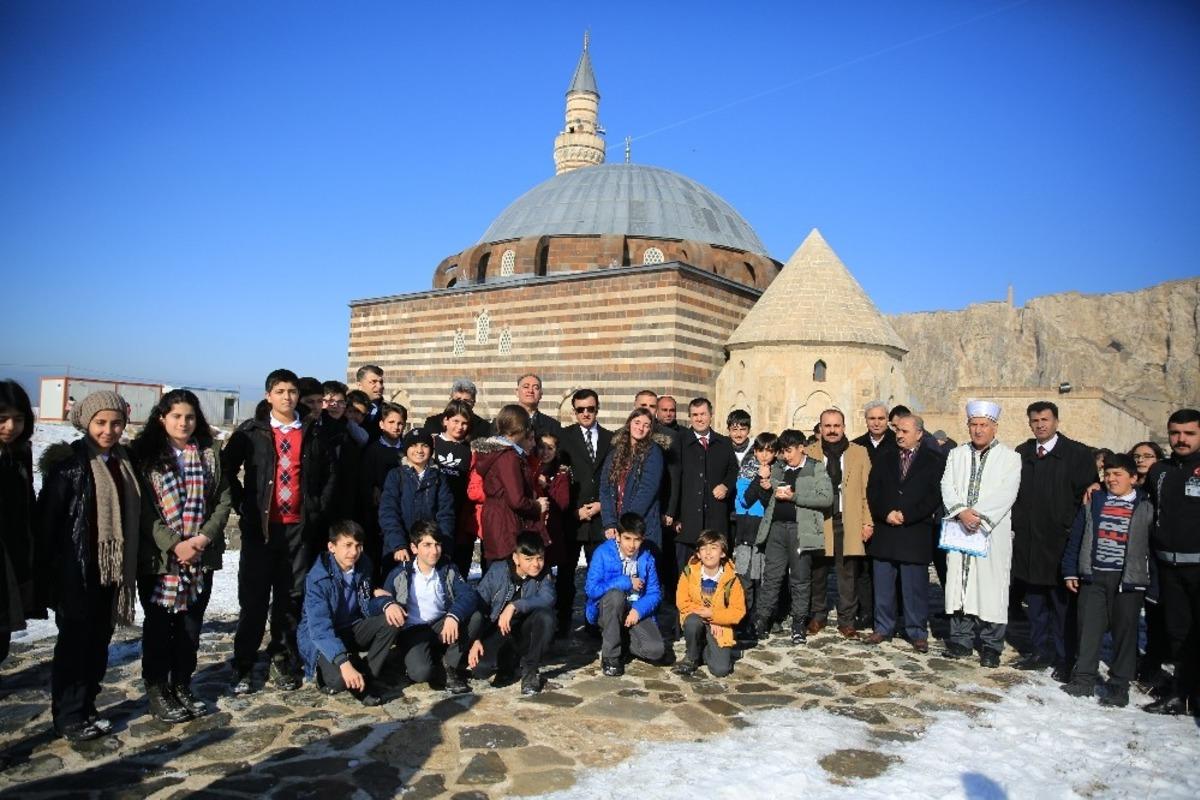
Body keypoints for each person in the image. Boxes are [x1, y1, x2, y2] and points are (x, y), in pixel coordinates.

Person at [223, 368, 336, 694]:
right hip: (261, 530)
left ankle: (282, 658)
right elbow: (226, 467)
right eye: (281, 391)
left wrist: (316, 508)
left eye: (292, 391)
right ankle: (243, 664)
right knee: (254, 600)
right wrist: (242, 503)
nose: (287, 397)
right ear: (268, 395)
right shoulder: (253, 431)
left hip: (298, 531)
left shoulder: (313, 430)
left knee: (290, 598)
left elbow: (329, 473)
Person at [36, 391, 141, 741]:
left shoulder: (124, 462)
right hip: (76, 571)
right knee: (73, 647)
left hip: (111, 573)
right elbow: (48, 525)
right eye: (101, 423)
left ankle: (88, 705)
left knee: (98, 643)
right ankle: (67, 715)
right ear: (86, 422)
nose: (108, 430)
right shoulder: (68, 465)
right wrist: (51, 577)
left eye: (115, 423)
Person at [132, 389, 233, 723]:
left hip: (200, 557)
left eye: (189, 416)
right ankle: (158, 688)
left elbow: (222, 499)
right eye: (176, 416)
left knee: (191, 626)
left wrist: (202, 538)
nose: (183, 422)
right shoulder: (145, 456)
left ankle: (183, 683)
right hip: (160, 560)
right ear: (162, 418)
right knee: (160, 626)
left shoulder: (209, 453)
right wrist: (175, 544)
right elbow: (145, 511)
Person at [1010, 401, 1097, 680]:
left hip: (1061, 543)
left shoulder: (1077, 454)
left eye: (1045, 420)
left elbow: (1087, 497)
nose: (1040, 425)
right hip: (1030, 543)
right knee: (1035, 604)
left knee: (1062, 607)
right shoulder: (1022, 453)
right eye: (1035, 421)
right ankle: (1039, 650)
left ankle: (1064, 656)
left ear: (1056, 421)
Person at [1060, 453, 1151, 707]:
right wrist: (1070, 570)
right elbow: (1077, 536)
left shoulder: (1144, 504)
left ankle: (1119, 685)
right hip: (1094, 575)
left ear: (1133, 478)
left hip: (1128, 580)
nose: (1111, 479)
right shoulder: (1095, 500)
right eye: (1107, 474)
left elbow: (1151, 546)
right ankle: (1083, 678)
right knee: (1088, 628)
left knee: (1125, 633)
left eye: (1117, 474)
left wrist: (1150, 580)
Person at [940, 400, 1022, 667]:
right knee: (959, 586)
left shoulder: (1010, 458)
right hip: (959, 529)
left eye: (983, 425)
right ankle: (960, 640)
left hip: (990, 532)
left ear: (994, 427)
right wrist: (961, 511)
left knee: (990, 587)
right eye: (974, 425)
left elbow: (1006, 493)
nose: (978, 430)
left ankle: (990, 645)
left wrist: (978, 517)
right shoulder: (956, 454)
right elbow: (947, 485)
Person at [864, 413, 944, 653]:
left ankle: (916, 631)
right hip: (886, 530)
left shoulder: (933, 460)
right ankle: (883, 627)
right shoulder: (884, 457)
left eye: (905, 431)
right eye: (897, 430)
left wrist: (908, 515)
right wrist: (885, 512)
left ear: (919, 434)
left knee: (914, 587)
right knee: (883, 584)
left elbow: (933, 495)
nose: (899, 435)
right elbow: (873, 490)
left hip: (914, 530)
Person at [744, 429, 833, 644]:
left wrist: (795, 496)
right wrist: (766, 488)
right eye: (783, 451)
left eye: (790, 450)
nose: (786, 455)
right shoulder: (778, 467)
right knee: (772, 577)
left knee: (800, 578)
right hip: (776, 528)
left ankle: (798, 623)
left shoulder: (815, 467)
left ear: (802, 447)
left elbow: (827, 498)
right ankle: (762, 620)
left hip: (801, 530)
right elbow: (768, 500)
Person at [373, 521, 479, 695]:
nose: (434, 551)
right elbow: (377, 603)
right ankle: (423, 660)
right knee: (421, 672)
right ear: (414, 548)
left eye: (437, 544)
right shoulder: (400, 573)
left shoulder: (448, 569)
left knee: (475, 617)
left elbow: (468, 595)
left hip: (441, 623)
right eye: (427, 545)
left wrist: (453, 616)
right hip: (414, 630)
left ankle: (449, 665)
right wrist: (387, 604)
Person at [297, 521, 396, 706]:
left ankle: (368, 674)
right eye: (347, 545)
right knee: (339, 681)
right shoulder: (318, 578)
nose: (354, 552)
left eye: (358, 546)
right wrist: (344, 662)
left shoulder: (363, 564)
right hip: (322, 637)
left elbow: (366, 603)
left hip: (352, 626)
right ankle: (328, 672)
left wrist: (386, 603)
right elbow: (319, 628)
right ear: (331, 547)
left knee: (392, 620)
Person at [1143, 408, 1200, 716]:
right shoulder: (1160, 471)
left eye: (1189, 433)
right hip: (1169, 568)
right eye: (1175, 433)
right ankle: (1182, 694)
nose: (1181, 439)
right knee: (1178, 634)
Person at [806, 409, 873, 638]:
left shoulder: (859, 453)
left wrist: (868, 522)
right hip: (819, 521)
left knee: (847, 574)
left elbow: (867, 490)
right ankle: (818, 615)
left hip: (848, 519)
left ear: (843, 427)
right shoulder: (809, 453)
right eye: (827, 426)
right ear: (821, 428)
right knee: (818, 572)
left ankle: (847, 620)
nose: (832, 430)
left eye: (836, 426)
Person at [469, 531, 557, 695]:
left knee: (546, 617)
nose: (536, 564)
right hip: (497, 631)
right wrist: (476, 638)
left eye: (540, 558)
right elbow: (478, 604)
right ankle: (508, 660)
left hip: (524, 632)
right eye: (529, 559)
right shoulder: (498, 571)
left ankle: (530, 672)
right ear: (516, 558)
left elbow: (548, 598)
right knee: (481, 670)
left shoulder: (544, 574)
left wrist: (515, 606)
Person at [556, 389, 613, 635]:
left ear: (597, 408)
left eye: (590, 408)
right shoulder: (564, 437)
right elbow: (558, 477)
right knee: (566, 576)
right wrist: (574, 511)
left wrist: (602, 504)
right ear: (574, 411)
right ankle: (562, 624)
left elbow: (614, 477)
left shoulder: (612, 439)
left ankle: (593, 624)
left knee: (598, 575)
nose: (586, 413)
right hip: (573, 518)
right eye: (581, 409)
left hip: (600, 517)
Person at [585, 512, 666, 676]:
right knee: (616, 596)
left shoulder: (647, 558)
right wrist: (626, 581)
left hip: (633, 610)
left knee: (655, 651)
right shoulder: (602, 553)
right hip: (607, 609)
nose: (632, 545)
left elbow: (654, 593)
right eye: (627, 538)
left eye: (637, 540)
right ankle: (610, 656)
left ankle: (621, 637)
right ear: (618, 537)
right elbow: (591, 589)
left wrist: (638, 610)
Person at [472, 405, 549, 568]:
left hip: (498, 519)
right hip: (506, 523)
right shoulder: (507, 456)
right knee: (506, 575)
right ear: (521, 428)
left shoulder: (499, 453)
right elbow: (516, 499)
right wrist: (536, 506)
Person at [669, 398, 737, 572]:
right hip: (687, 523)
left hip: (715, 520)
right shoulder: (679, 441)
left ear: (711, 415)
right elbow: (673, 479)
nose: (699, 419)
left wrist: (726, 486)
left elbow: (733, 471)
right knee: (686, 574)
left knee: (714, 575)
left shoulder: (724, 443)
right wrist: (674, 514)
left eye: (703, 414)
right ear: (690, 417)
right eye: (695, 415)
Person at [674, 530, 746, 677]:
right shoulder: (689, 573)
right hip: (696, 617)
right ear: (698, 554)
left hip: (720, 625)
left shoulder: (732, 579)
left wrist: (715, 616)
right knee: (692, 622)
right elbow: (682, 602)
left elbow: (738, 611)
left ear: (723, 553)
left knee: (721, 670)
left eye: (713, 548)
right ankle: (692, 657)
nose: (708, 552)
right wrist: (706, 614)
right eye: (703, 548)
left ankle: (704, 649)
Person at [379, 428, 455, 564]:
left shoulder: (439, 477)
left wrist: (440, 545)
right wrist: (398, 544)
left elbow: (446, 514)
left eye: (424, 446)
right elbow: (388, 512)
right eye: (414, 445)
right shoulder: (396, 475)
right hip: (400, 549)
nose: (419, 450)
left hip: (430, 549)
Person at [1127, 440, 1168, 690]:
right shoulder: (1124, 486)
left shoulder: (1164, 486)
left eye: (1148, 456)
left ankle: (1153, 665)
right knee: (1127, 616)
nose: (1141, 460)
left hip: (1156, 561)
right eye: (1137, 456)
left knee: (1156, 617)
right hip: (1129, 560)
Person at [0, 380, 35, 667]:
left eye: (18, 419)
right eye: (2, 419)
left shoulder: (20, 453)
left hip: (12, 555)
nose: (11, 426)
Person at [732, 432, 776, 636]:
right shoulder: (746, 471)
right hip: (746, 531)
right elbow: (745, 500)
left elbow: (772, 504)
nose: (765, 455)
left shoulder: (777, 472)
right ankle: (744, 618)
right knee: (745, 578)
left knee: (762, 578)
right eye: (761, 450)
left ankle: (761, 619)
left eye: (770, 451)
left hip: (765, 531)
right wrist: (760, 478)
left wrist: (769, 485)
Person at [357, 402, 408, 570]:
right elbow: (366, 479)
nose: (396, 427)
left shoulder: (408, 449)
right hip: (378, 511)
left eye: (400, 423)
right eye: (391, 422)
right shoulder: (373, 450)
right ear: (381, 424)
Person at [433, 399, 476, 576]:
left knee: (459, 563)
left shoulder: (470, 450)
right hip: (435, 511)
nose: (460, 427)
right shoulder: (433, 443)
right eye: (455, 421)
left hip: (460, 512)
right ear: (445, 420)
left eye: (464, 423)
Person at [422, 378, 494, 441]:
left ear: (474, 402)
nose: (461, 403)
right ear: (451, 399)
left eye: (466, 401)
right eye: (458, 399)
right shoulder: (433, 423)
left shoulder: (483, 427)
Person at [514, 373, 561, 438]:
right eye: (526, 387)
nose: (530, 391)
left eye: (535, 388)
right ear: (517, 392)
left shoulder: (553, 426)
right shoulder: (502, 422)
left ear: (541, 394)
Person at [852, 400, 896, 465]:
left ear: (887, 419)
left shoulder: (898, 444)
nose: (876, 423)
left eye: (881, 418)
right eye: (872, 418)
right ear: (866, 420)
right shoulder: (855, 446)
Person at [355, 364, 386, 437]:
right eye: (373, 382)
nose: (379, 386)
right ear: (359, 385)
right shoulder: (347, 408)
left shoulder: (389, 410)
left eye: (381, 382)